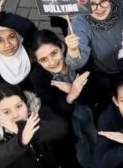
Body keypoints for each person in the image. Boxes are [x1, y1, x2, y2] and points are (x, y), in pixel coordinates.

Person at [30, 30, 95, 168]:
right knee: (82, 154)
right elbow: (52, 111)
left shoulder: (78, 59)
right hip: (69, 124)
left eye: (54, 53)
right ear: (37, 61)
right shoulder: (38, 77)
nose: (52, 62)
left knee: (96, 141)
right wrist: (71, 96)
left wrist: (74, 89)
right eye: (43, 60)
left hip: (90, 112)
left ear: (62, 46)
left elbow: (95, 91)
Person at [0, 83, 72, 168]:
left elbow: (61, 129)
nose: (15, 115)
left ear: (26, 104)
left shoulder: (39, 112)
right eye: (6, 112)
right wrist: (20, 141)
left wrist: (20, 128)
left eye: (19, 106)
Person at [65, 0, 123, 90]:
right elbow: (76, 64)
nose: (99, 8)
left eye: (103, 0)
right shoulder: (79, 21)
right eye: (92, 4)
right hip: (106, 73)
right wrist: (73, 50)